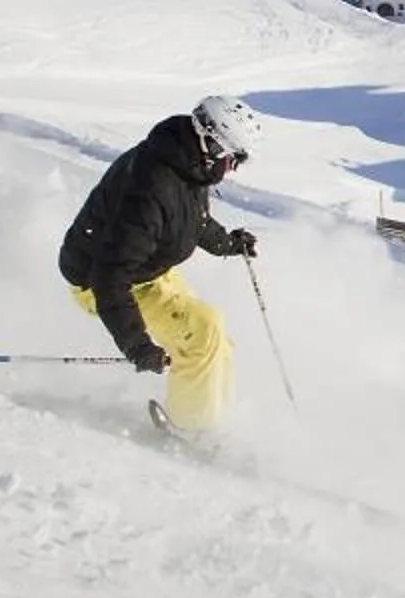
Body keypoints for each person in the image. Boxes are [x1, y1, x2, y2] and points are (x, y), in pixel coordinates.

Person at [58, 94, 265, 434]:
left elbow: (189, 219)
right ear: (212, 144)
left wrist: (228, 242)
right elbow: (109, 277)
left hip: (144, 272)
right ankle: (192, 428)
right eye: (233, 158)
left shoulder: (186, 164)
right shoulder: (151, 187)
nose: (232, 168)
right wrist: (137, 345)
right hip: (100, 282)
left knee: (216, 337)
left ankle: (216, 418)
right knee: (203, 333)